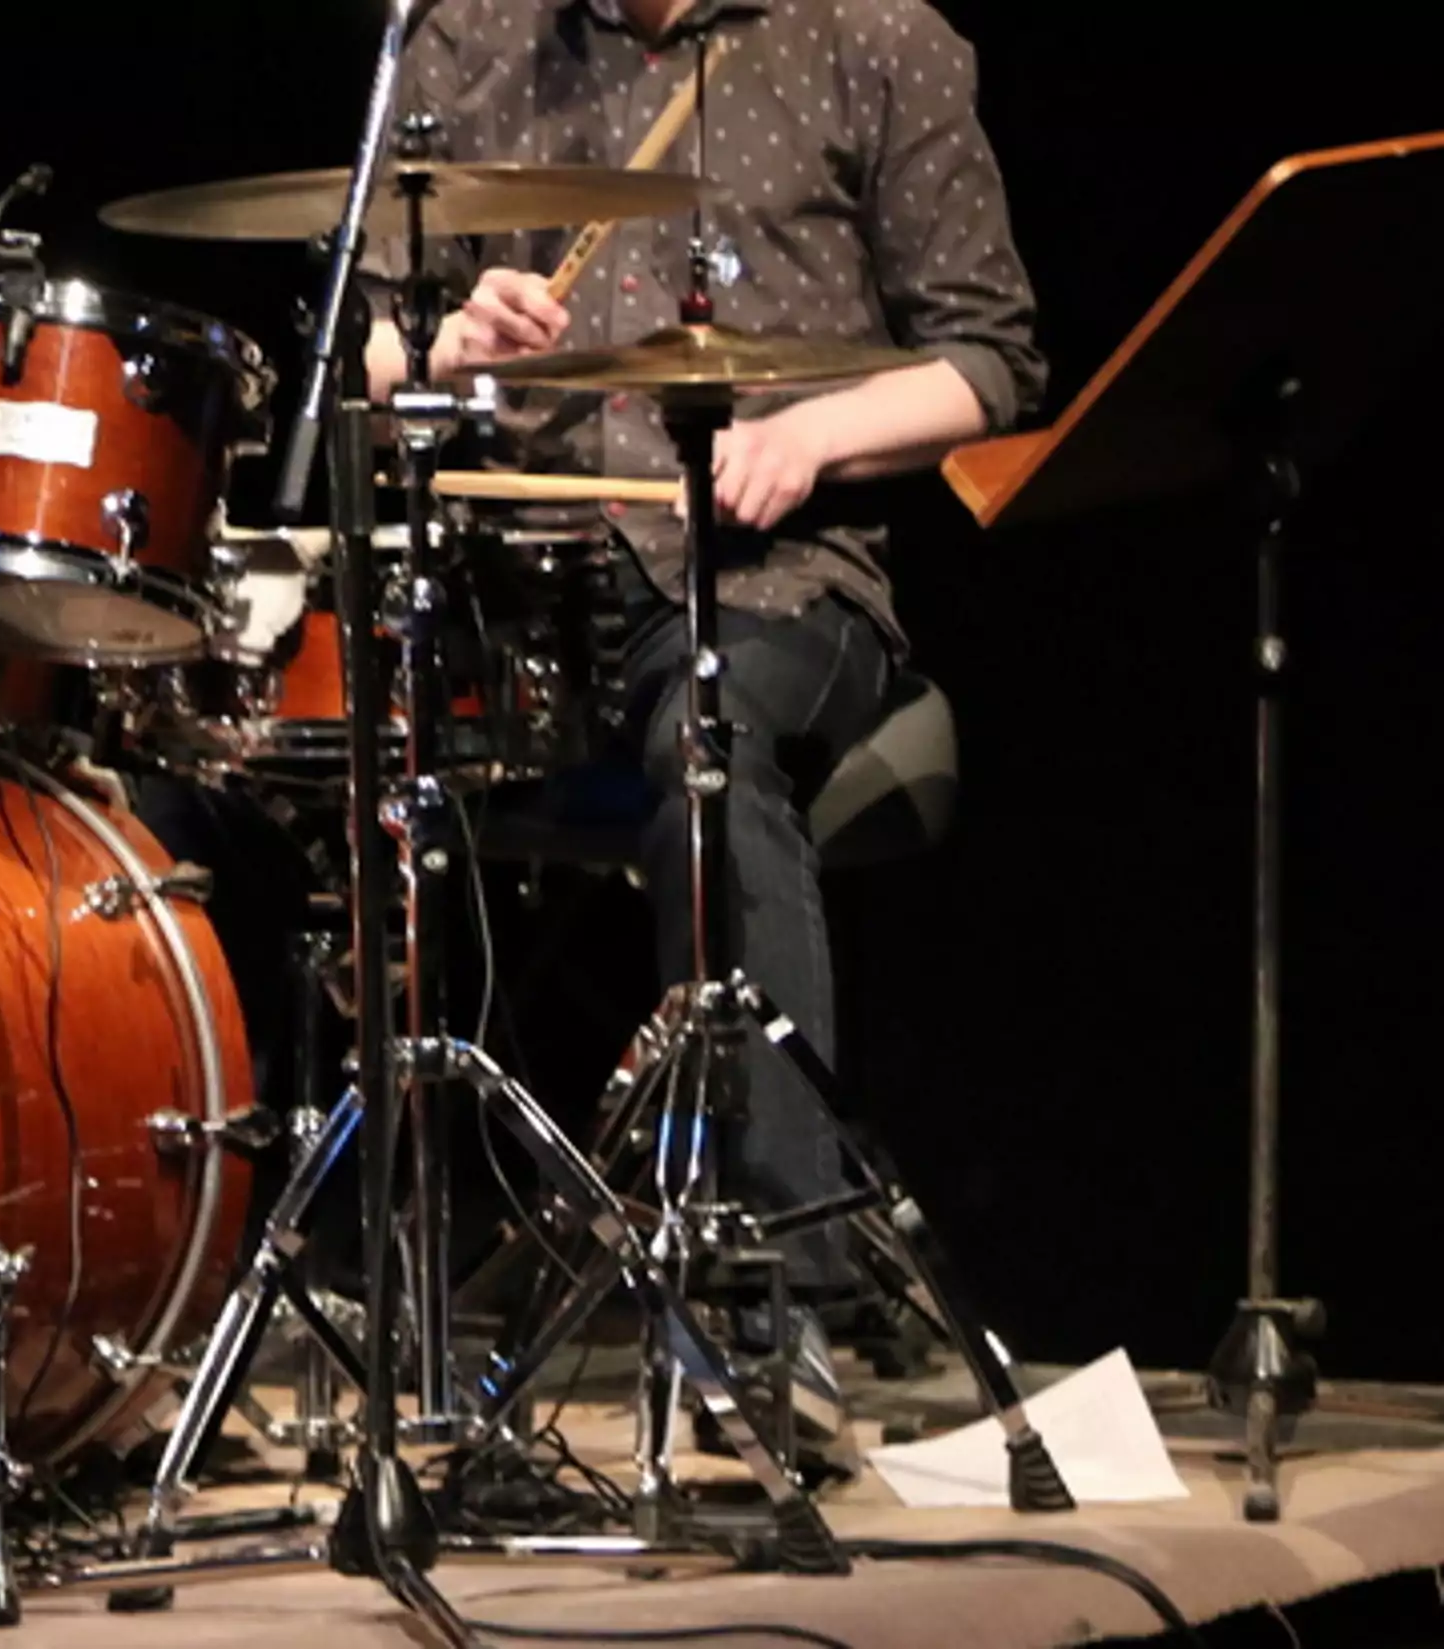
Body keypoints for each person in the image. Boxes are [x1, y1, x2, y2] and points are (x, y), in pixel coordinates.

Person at [359, 0, 1046, 1421]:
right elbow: (370, 359)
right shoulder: (469, 41)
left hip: (777, 579)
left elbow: (993, 362)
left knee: (708, 747)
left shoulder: (878, 36)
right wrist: (447, 346)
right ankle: (344, 1295)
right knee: (297, 742)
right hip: (526, 589)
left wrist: (811, 434)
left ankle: (768, 1294)